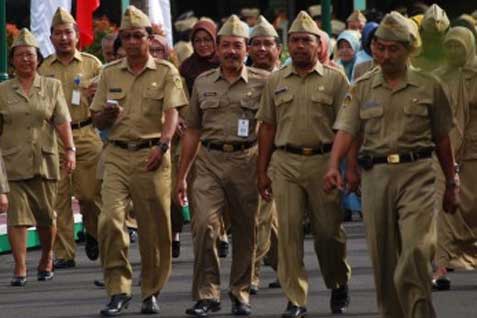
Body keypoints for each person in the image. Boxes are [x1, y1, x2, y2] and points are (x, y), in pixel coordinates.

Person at [324, 11, 458, 318]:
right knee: (383, 261)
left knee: (414, 252)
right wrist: (336, 166)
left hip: (418, 175)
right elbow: (347, 129)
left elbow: (442, 139)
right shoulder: (362, 85)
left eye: (392, 48)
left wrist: (452, 182)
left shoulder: (429, 85)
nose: (384, 55)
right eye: (379, 47)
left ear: (409, 49)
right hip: (377, 177)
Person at [90, 6, 188, 316]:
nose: (132, 42)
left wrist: (164, 143)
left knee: (154, 229)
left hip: (152, 154)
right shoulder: (109, 72)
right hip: (117, 154)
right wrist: (105, 115)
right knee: (109, 221)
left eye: (138, 36)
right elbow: (96, 119)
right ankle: (118, 289)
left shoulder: (165, 71)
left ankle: (150, 290)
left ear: (149, 39)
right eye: (127, 37)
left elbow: (173, 111)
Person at [256, 11, 351, 317]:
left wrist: (348, 168)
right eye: (294, 41)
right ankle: (295, 298)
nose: (299, 46)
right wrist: (262, 171)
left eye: (305, 41)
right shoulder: (275, 81)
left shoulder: (336, 80)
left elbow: (346, 127)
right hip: (285, 163)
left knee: (327, 233)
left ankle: (338, 280)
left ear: (318, 45)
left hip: (324, 162)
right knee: (289, 233)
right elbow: (267, 128)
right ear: (287, 46)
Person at [176, 14, 268, 317]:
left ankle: (240, 294)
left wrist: (266, 169)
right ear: (217, 49)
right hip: (209, 162)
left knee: (246, 230)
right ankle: (207, 294)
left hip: (247, 161)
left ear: (248, 49)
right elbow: (191, 130)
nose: (231, 51)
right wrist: (181, 176)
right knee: (204, 226)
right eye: (225, 45)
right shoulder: (202, 83)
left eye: (237, 46)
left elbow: (271, 128)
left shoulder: (263, 82)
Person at [2, 28, 75, 286]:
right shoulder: (3, 90)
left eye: (30, 55)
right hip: (12, 162)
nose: (26, 60)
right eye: (20, 55)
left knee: (46, 216)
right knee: (17, 218)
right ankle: (20, 267)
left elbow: (62, 120)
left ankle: (46, 256)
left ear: (38, 58)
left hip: (44, 160)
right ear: (12, 60)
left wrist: (69, 149)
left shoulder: (52, 86)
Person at [38, 7, 103, 269]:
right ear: (51, 38)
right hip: (54, 138)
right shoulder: (43, 68)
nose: (63, 38)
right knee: (59, 198)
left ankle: (94, 233)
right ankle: (64, 253)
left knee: (90, 195)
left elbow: (103, 101)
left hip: (86, 134)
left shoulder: (92, 64)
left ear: (77, 35)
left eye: (68, 33)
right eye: (58, 34)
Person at [179, 17, 231, 259]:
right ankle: (214, 234)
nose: (202, 45)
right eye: (197, 40)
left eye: (207, 40)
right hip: (195, 134)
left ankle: (223, 230)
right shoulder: (187, 69)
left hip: (224, 137)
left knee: (226, 193)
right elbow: (181, 100)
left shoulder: (227, 63)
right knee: (201, 191)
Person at [433, 26, 477, 290]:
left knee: (471, 211)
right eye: (448, 46)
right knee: (444, 208)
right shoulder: (439, 78)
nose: (452, 51)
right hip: (446, 152)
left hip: (474, 152)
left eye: (458, 46)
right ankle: (441, 265)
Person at [247, 15, 281, 294]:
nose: (261, 50)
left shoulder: (290, 77)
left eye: (266, 44)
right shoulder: (240, 77)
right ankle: (282, 268)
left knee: (266, 218)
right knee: (263, 217)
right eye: (255, 44)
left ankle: (254, 274)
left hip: (285, 158)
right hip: (249, 157)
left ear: (278, 48)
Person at [412, 4, 450, 72]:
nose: (433, 46)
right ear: (421, 34)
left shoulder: (456, 65)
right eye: (429, 40)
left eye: (437, 41)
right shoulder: (411, 64)